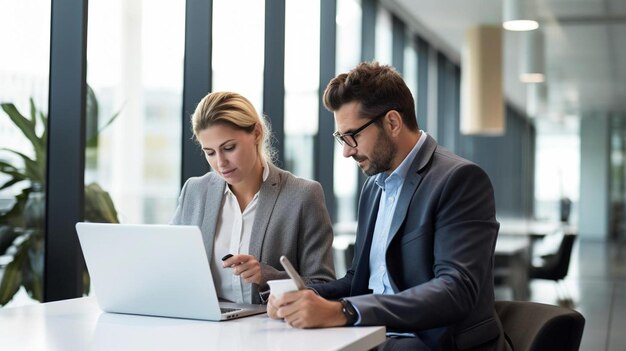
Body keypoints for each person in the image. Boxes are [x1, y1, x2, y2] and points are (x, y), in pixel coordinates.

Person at [268, 62, 508, 350]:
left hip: (436, 342)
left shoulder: (459, 180)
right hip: (377, 336)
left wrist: (346, 311)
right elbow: (359, 279)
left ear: (392, 122)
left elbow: (455, 290)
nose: (346, 151)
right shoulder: (374, 186)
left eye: (352, 135)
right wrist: (303, 295)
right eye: (340, 138)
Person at [171, 91, 335, 304]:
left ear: (256, 133)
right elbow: (171, 264)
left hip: (273, 330)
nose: (220, 162)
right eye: (210, 152)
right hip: (207, 324)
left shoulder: (302, 195)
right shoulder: (195, 191)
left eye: (229, 148)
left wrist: (266, 276)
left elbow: (324, 285)